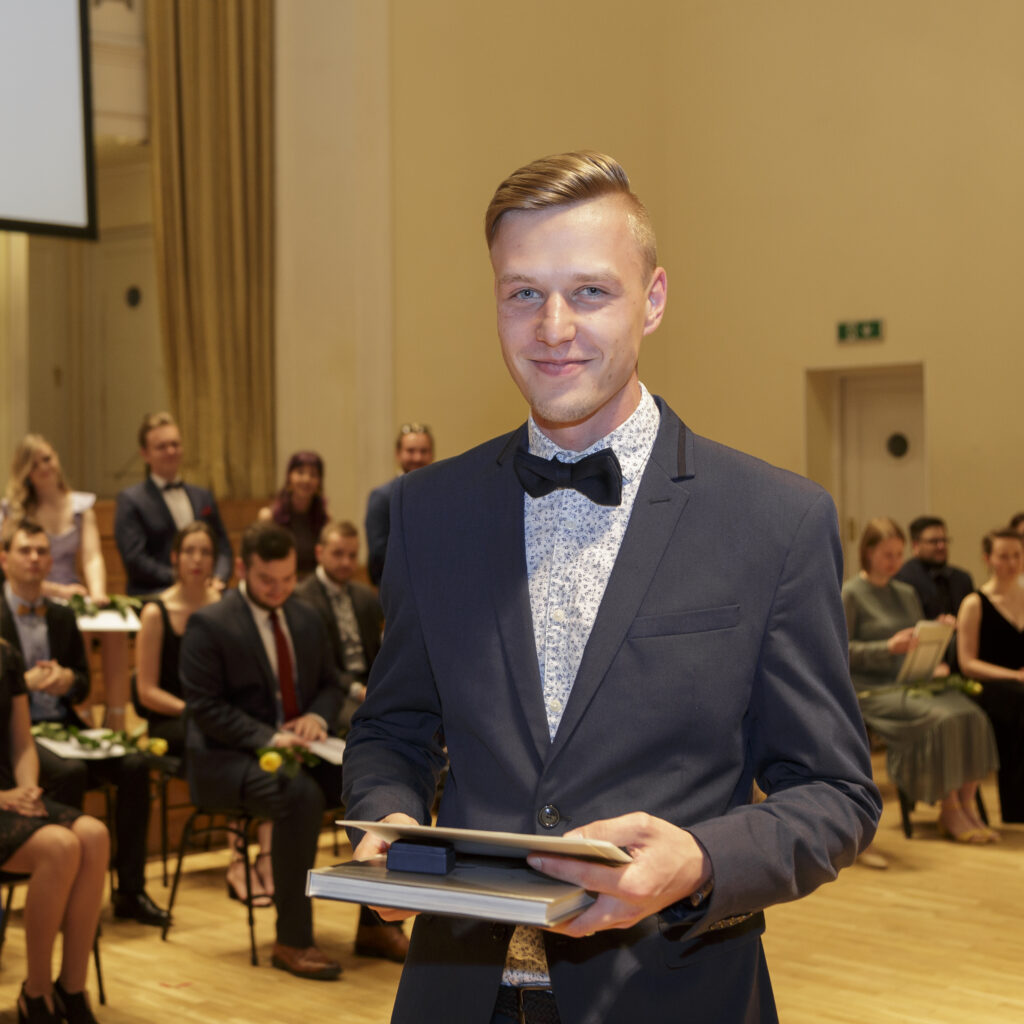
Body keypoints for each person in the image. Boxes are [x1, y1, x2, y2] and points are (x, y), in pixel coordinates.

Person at [342, 151, 881, 1024]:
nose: (553, 327)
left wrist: (700, 860)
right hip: (456, 994)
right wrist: (388, 817)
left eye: (590, 291)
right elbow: (393, 729)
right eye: (523, 293)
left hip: (674, 992)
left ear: (653, 300)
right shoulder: (428, 509)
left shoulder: (775, 521)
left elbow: (835, 794)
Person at [180, 522, 346, 980]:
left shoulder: (306, 617)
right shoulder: (210, 623)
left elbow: (331, 684)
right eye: (266, 580)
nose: (278, 590)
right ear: (241, 569)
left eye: (288, 579)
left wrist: (317, 718)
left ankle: (377, 925)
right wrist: (269, 737)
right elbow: (204, 708)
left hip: (302, 749)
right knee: (299, 797)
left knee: (366, 779)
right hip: (227, 757)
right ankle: (292, 940)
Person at [0, 520, 169, 927]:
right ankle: (62, 891)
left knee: (135, 764)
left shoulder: (61, 615)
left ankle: (129, 890)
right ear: (4, 559)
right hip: (17, 736)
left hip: (64, 724)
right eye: (25, 550)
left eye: (43, 551)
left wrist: (66, 681)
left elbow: (83, 684)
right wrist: (25, 683)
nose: (36, 558)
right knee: (69, 772)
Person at [843, 517, 999, 848]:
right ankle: (949, 808)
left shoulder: (906, 592)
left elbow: (915, 641)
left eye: (898, 554)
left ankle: (966, 805)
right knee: (942, 719)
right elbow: (841, 651)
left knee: (971, 713)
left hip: (912, 681)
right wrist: (887, 647)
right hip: (873, 689)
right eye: (887, 554)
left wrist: (937, 633)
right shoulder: (852, 594)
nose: (895, 562)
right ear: (868, 553)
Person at [293, 520, 407, 962]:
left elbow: (383, 658)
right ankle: (376, 923)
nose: (345, 562)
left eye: (350, 554)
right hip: (331, 702)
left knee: (405, 764)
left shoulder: (364, 597)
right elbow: (322, 672)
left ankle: (376, 925)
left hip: (367, 696)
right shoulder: (302, 599)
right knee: (373, 763)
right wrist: (361, 690)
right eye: (337, 553)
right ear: (319, 553)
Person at [0, 638, 109, 1024]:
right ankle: (36, 992)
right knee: (60, 846)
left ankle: (72, 988)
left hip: (12, 795)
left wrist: (28, 789)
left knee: (94, 835)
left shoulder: (5, 653)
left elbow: (21, 743)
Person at [2, 435, 130, 728]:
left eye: (47, 459)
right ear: (25, 473)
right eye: (34, 464)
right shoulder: (14, 511)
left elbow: (92, 557)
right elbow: (15, 567)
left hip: (73, 590)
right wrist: (58, 591)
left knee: (115, 626)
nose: (44, 467)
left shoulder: (81, 506)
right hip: (36, 589)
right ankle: (82, 710)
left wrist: (97, 594)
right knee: (71, 623)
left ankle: (116, 715)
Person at [114, 412, 232, 595]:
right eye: (161, 447)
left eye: (175, 444)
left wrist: (218, 577)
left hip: (207, 592)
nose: (171, 451)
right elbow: (135, 559)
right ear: (145, 454)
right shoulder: (131, 500)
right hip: (156, 594)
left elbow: (222, 546)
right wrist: (183, 579)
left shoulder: (203, 496)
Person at [955, 528, 1024, 823]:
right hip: (985, 685)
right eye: (1004, 556)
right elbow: (968, 663)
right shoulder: (974, 603)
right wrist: (1014, 676)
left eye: (1017, 555)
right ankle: (1017, 807)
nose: (1012, 563)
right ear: (987, 559)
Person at [894, 515, 974, 673]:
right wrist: (935, 625)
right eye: (933, 541)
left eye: (944, 540)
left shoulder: (962, 578)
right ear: (915, 545)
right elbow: (900, 625)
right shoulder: (902, 579)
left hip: (961, 655)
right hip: (921, 660)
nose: (941, 546)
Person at [364, 424, 434, 586]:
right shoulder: (382, 497)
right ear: (398, 454)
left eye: (424, 451)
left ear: (432, 455)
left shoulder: (442, 495)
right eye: (411, 451)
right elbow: (379, 553)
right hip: (397, 586)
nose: (417, 457)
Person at [257, 451, 328, 580]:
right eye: (300, 472)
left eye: (313, 474)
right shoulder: (268, 517)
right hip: (278, 583)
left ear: (319, 481)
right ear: (289, 476)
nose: (306, 479)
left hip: (313, 585)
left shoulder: (325, 517)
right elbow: (261, 560)